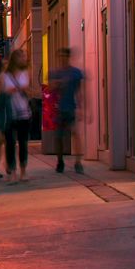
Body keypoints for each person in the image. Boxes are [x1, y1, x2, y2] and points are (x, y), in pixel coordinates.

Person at [50, 46, 85, 174]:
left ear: (68, 57)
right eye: (60, 56)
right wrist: (59, 83)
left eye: (64, 56)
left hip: (71, 107)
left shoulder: (76, 73)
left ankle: (78, 162)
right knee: (58, 136)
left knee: (75, 133)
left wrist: (81, 108)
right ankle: (60, 161)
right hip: (59, 108)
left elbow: (79, 91)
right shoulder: (55, 73)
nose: (62, 59)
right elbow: (50, 89)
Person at [1, 49, 33, 181]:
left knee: (23, 143)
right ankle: (13, 171)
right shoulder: (5, 75)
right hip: (9, 113)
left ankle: (23, 171)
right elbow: (1, 92)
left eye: (25, 56)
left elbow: (29, 91)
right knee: (10, 143)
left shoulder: (26, 73)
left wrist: (26, 90)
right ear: (15, 59)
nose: (24, 59)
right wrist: (8, 91)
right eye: (22, 56)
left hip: (23, 112)